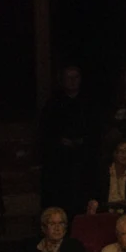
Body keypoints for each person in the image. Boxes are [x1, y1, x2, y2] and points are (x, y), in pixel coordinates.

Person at [39, 65, 94, 213]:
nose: (72, 81)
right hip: (60, 163)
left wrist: (83, 141)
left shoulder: (89, 103)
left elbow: (95, 131)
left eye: (75, 77)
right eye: (69, 77)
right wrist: (60, 141)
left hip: (84, 161)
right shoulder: (53, 104)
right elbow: (46, 132)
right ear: (62, 80)